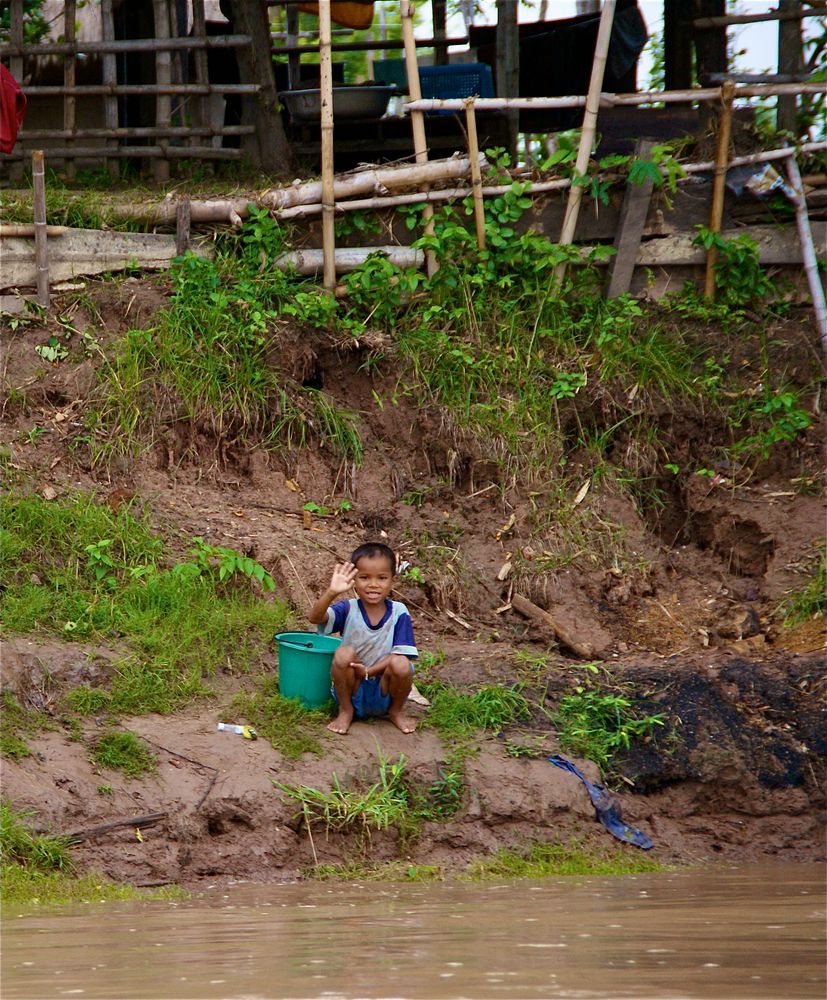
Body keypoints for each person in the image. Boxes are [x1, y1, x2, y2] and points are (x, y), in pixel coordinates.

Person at [308, 542, 417, 735]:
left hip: (384, 687)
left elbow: (400, 655)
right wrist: (331, 592)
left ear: (392, 580)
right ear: (354, 580)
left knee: (402, 664)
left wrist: (368, 671)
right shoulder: (349, 608)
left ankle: (395, 711)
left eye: (382, 578)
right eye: (364, 577)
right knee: (343, 653)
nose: (373, 584)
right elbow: (315, 618)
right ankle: (346, 710)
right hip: (352, 686)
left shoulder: (399, 612)